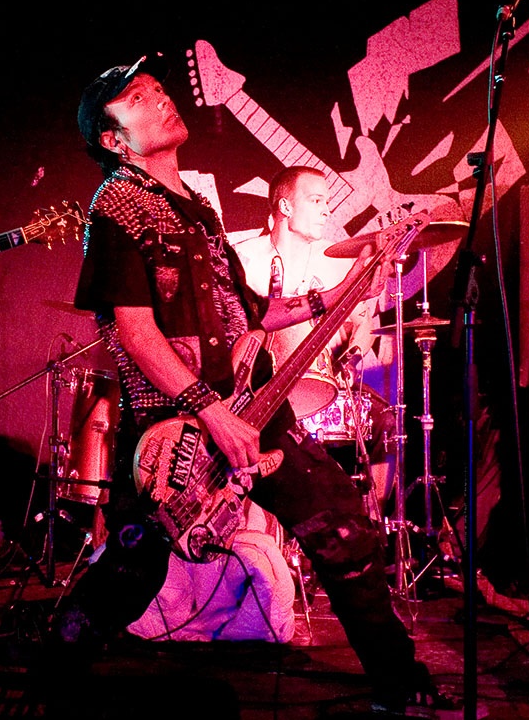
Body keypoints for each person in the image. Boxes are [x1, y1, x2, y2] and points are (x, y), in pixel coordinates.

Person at [51, 52, 464, 718]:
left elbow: (245, 314)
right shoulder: (117, 205)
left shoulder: (198, 211)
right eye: (139, 97)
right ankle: (52, 672)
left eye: (159, 88)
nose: (160, 98)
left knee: (343, 528)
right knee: (134, 566)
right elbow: (134, 330)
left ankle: (397, 679)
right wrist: (211, 413)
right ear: (112, 139)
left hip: (252, 410)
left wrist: (336, 294)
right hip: (175, 427)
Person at [233, 165, 396, 517]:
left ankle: (373, 520)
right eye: (316, 200)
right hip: (259, 394)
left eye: (327, 202)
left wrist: (350, 357)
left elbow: (363, 326)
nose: (326, 210)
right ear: (285, 206)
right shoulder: (244, 259)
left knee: (387, 422)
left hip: (325, 384)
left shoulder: (339, 261)